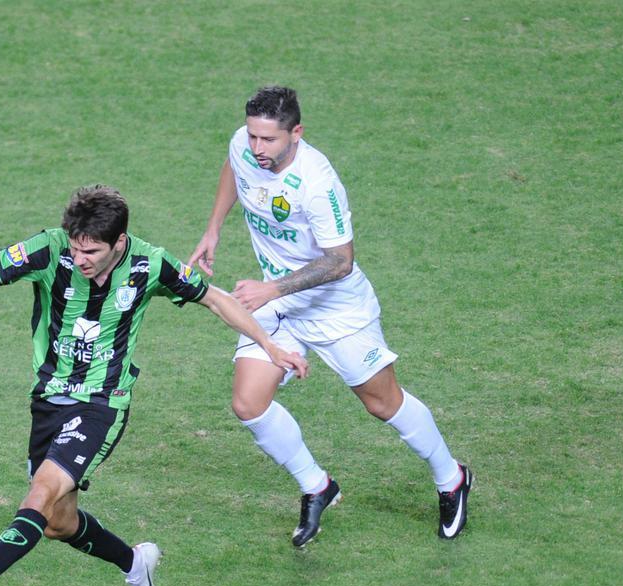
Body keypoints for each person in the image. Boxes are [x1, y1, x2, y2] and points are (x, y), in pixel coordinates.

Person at [0, 185, 308, 586]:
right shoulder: (49, 250)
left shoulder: (149, 263)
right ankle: (135, 564)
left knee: (40, 493)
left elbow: (215, 299)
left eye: (91, 251)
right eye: (75, 247)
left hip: (103, 403)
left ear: (118, 243)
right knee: (57, 523)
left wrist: (269, 347)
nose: (79, 258)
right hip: (48, 401)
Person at [189, 86, 472, 545]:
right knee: (248, 403)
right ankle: (316, 485)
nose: (256, 148)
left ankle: (451, 477)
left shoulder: (317, 183)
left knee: (382, 403)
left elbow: (340, 260)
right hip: (279, 302)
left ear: (296, 133)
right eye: (252, 136)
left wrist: (272, 287)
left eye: (269, 140)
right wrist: (213, 229)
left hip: (335, 307)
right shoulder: (245, 146)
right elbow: (234, 170)